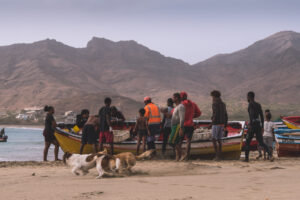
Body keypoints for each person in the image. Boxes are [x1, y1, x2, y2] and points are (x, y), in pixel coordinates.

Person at [244, 91, 273, 162]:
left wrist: (250, 124)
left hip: (252, 125)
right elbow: (262, 116)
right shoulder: (258, 105)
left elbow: (251, 115)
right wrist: (262, 126)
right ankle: (270, 154)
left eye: (247, 97)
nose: (247, 98)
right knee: (261, 142)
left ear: (249, 97)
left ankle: (246, 158)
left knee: (247, 142)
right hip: (258, 125)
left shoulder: (250, 104)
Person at [179, 91, 201, 161]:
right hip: (190, 125)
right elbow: (199, 113)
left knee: (179, 141)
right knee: (188, 141)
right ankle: (187, 156)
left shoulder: (181, 105)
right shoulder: (193, 104)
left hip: (182, 125)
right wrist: (192, 117)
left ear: (181, 97)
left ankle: (181, 155)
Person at [210, 90, 228, 161]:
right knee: (219, 140)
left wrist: (211, 123)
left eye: (212, 97)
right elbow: (226, 115)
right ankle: (220, 155)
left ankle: (217, 156)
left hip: (216, 123)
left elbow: (215, 114)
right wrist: (225, 124)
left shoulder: (215, 103)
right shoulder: (223, 104)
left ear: (214, 96)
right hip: (222, 124)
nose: (212, 98)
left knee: (214, 140)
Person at [168, 93, 185, 161]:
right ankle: (177, 157)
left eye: (173, 97)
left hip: (177, 126)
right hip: (174, 126)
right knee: (176, 142)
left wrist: (181, 128)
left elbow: (182, 118)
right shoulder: (176, 107)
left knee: (171, 142)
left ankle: (183, 153)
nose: (172, 99)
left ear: (177, 98)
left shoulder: (181, 107)